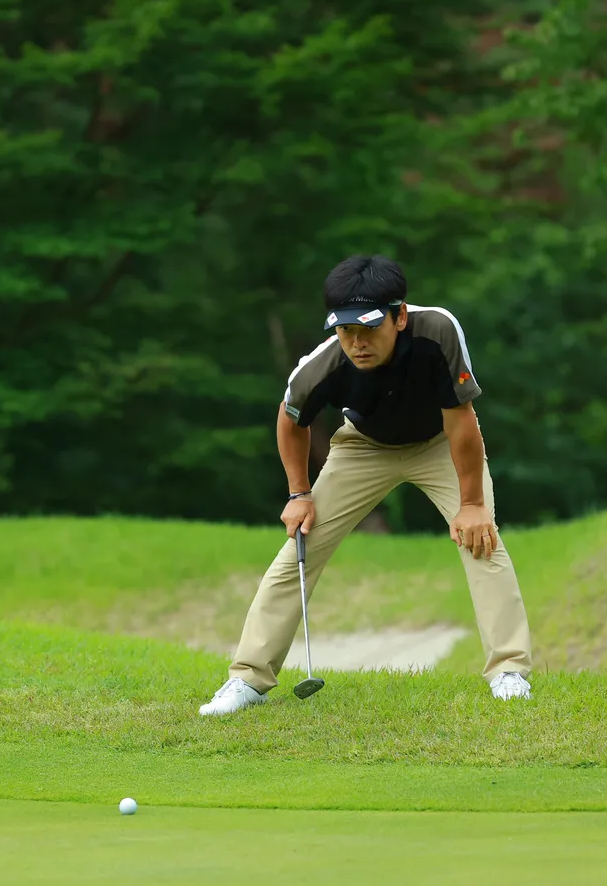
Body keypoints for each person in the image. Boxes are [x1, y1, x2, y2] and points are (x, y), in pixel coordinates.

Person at [199, 254, 534, 716]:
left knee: (481, 539)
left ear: (400, 316)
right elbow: (290, 419)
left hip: (439, 444)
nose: (356, 343)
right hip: (363, 447)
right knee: (300, 549)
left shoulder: (438, 332)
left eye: (368, 328)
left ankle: (509, 671)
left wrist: (473, 503)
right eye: (345, 330)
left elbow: (462, 421)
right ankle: (248, 679)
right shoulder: (323, 364)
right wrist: (299, 493)